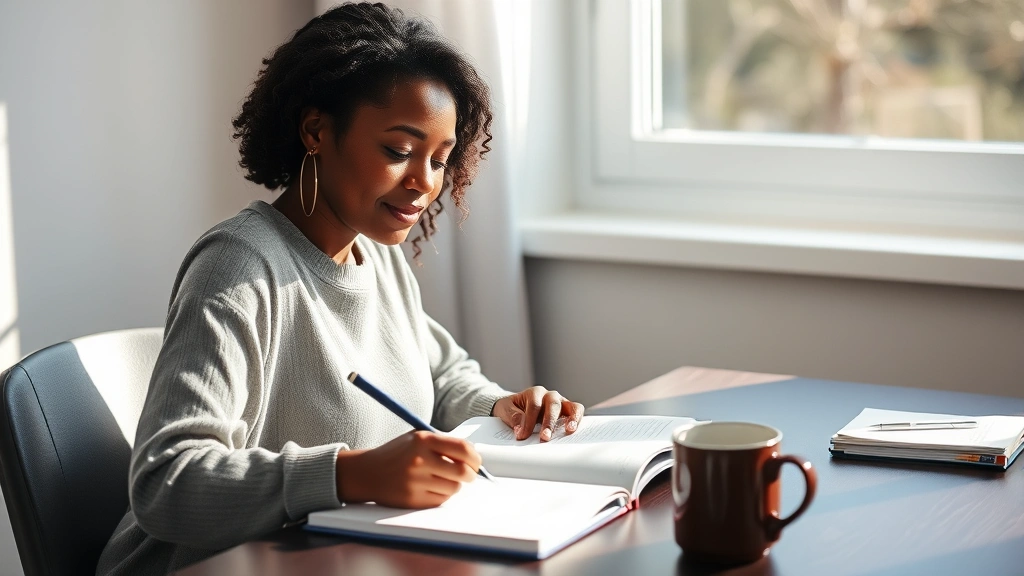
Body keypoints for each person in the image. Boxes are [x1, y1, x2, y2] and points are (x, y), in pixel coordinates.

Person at [95, 3, 584, 574]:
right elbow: (166, 483)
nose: (424, 184)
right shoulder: (239, 268)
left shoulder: (375, 253)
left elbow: (443, 376)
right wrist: (351, 473)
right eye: (399, 152)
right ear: (316, 131)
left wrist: (503, 406)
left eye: (440, 159)